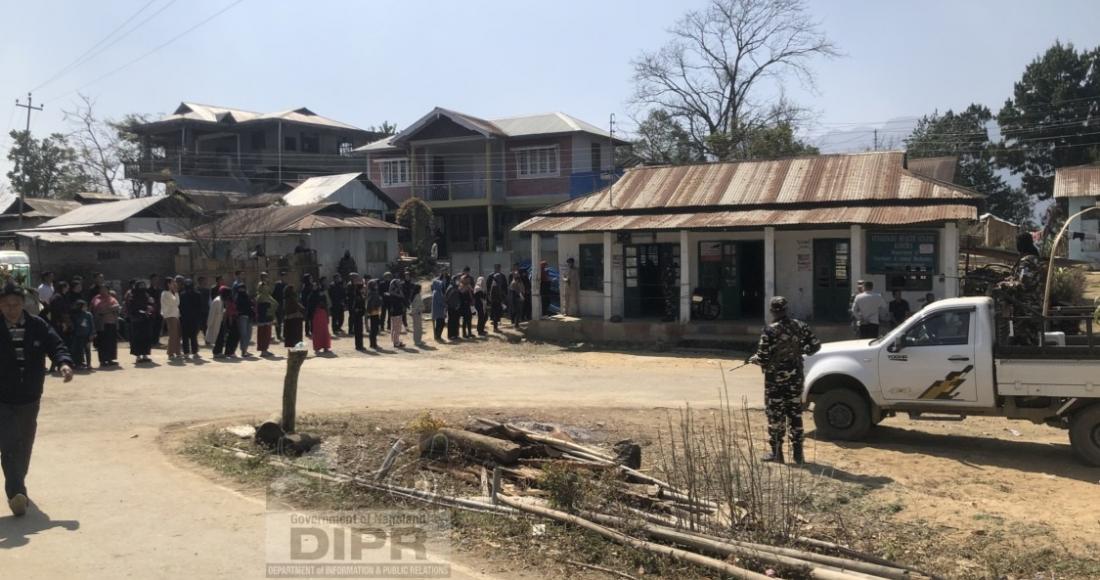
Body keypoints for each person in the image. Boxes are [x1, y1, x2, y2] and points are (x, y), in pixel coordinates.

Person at [0, 282, 74, 517]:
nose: (12, 309)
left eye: (16, 304)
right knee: (10, 443)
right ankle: (16, 493)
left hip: (30, 395)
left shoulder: (37, 325)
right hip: (2, 397)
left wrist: (63, 363)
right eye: (6, 305)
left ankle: (17, 485)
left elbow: (56, 345)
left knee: (25, 443)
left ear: (24, 304)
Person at [750, 296, 821, 465]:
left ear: (772, 310)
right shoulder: (800, 326)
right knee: (795, 414)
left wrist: (755, 359)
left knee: (776, 416)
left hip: (775, 380)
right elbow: (815, 345)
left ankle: (777, 453)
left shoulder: (770, 331)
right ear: (786, 309)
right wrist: (800, 351)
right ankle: (798, 455)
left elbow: (763, 357)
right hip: (795, 377)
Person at [993, 233, 1046, 346]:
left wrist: (1004, 285)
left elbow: (1023, 284)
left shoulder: (1027, 261)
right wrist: (1009, 279)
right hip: (1031, 306)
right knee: (1028, 339)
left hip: (1026, 308)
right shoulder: (1034, 259)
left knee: (1026, 341)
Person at [91, 284, 120, 367]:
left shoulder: (112, 298)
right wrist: (110, 309)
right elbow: (98, 308)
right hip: (102, 323)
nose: (102, 291)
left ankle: (110, 359)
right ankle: (103, 360)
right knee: (103, 342)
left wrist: (107, 309)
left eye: (104, 289)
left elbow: (117, 307)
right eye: (101, 289)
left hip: (112, 322)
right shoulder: (96, 298)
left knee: (111, 342)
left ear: (108, 290)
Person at [128, 282, 155, 364]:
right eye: (141, 286)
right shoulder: (132, 295)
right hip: (137, 320)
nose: (143, 287)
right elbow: (132, 308)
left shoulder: (146, 295)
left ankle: (145, 355)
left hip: (146, 320)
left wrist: (150, 308)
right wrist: (143, 312)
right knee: (137, 338)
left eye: (144, 285)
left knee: (146, 337)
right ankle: (138, 356)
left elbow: (151, 304)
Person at [307, 281, 332, 354]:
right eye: (313, 286)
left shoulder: (322, 294)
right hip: (315, 315)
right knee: (317, 332)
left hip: (322, 314)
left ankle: (325, 347)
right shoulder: (311, 295)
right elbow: (309, 307)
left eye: (316, 285)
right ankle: (317, 347)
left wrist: (327, 314)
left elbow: (326, 304)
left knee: (324, 331)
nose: (315, 287)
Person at [179, 279, 202, 359]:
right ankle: (191, 352)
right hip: (189, 319)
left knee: (191, 336)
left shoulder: (183, 294)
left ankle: (190, 353)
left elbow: (199, 307)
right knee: (189, 336)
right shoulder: (183, 295)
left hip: (189, 319)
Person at [254, 282, 278, 357]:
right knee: (263, 334)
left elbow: (275, 304)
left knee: (267, 334)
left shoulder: (267, 296)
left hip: (267, 317)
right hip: (263, 318)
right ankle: (263, 351)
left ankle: (265, 350)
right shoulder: (260, 297)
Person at [70, 300, 94, 370]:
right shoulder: (76, 315)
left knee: (87, 350)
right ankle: (79, 363)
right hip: (78, 335)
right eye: (84, 306)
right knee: (79, 350)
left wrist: (91, 334)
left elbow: (92, 325)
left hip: (87, 335)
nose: (85, 307)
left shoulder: (88, 315)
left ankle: (89, 364)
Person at [162, 278, 182, 360]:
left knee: (178, 334)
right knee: (173, 334)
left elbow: (177, 303)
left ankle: (177, 352)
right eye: (173, 283)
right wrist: (176, 291)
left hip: (175, 315)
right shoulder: (165, 293)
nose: (174, 284)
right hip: (170, 316)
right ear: (168, 284)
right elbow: (176, 302)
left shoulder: (171, 293)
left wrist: (175, 292)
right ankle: (170, 353)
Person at [205, 285, 226, 352]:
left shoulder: (222, 300)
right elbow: (212, 313)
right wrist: (209, 323)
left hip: (220, 321)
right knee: (218, 338)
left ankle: (219, 351)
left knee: (221, 337)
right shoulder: (217, 301)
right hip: (216, 322)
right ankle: (216, 352)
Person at [487, 265, 507, 332]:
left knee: (497, 314)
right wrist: (501, 300)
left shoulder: (496, 284)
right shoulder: (495, 285)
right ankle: (495, 328)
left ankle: (496, 327)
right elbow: (495, 293)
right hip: (496, 301)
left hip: (496, 301)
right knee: (495, 314)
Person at [387, 278, 406, 348]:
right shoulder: (393, 293)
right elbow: (401, 296)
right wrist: (399, 289)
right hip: (396, 312)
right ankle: (396, 342)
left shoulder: (392, 293)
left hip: (396, 312)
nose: (400, 284)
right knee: (397, 328)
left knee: (394, 328)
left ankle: (395, 341)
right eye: (398, 283)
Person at [349, 278, 366, 351]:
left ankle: (360, 345)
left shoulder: (359, 295)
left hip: (359, 315)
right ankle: (359, 345)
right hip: (357, 315)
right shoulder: (357, 296)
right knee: (358, 331)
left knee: (359, 331)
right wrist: (359, 310)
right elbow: (355, 307)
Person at [431, 272, 448, 342]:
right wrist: (445, 305)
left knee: (440, 323)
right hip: (439, 311)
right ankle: (437, 335)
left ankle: (438, 335)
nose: (441, 285)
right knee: (440, 323)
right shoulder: (437, 292)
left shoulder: (437, 291)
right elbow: (440, 301)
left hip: (438, 310)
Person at [366, 280, 383, 350]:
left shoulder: (373, 292)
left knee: (375, 329)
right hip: (373, 312)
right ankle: (373, 343)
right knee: (374, 329)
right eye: (375, 284)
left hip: (375, 312)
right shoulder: (372, 293)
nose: (376, 285)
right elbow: (370, 303)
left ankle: (373, 343)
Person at [272, 270, 287, 343]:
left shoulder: (286, 284)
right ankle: (278, 335)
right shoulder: (277, 285)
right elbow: (274, 295)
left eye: (285, 276)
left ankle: (284, 335)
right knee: (279, 321)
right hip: (279, 305)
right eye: (283, 276)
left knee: (285, 320)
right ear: (280, 277)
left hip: (285, 305)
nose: (284, 277)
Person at [408, 282, 425, 346]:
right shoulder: (417, 296)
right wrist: (422, 308)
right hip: (417, 313)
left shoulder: (414, 295)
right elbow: (418, 305)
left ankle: (417, 340)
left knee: (416, 327)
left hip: (415, 313)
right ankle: (417, 341)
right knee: (418, 328)